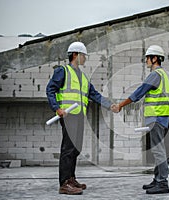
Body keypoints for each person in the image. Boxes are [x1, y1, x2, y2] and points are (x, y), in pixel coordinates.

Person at [46, 41, 117, 195]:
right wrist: (57, 108)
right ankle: (64, 183)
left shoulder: (83, 77)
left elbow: (94, 94)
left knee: (76, 148)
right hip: (68, 115)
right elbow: (50, 89)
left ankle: (71, 178)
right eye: (83, 55)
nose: (85, 58)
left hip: (79, 116)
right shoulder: (62, 71)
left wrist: (109, 105)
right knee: (68, 148)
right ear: (75, 55)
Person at [114, 45, 169, 194]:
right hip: (162, 116)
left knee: (158, 150)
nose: (146, 61)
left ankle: (162, 182)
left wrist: (121, 105)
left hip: (157, 116)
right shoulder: (163, 74)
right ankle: (157, 179)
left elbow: (139, 92)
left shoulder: (155, 74)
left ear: (154, 58)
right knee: (157, 149)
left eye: (147, 58)